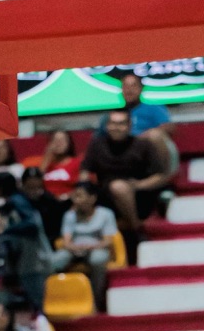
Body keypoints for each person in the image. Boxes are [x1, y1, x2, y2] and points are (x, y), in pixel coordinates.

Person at [79, 107, 166, 238]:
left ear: (129, 126)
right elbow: (85, 171)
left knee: (119, 187)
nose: (116, 128)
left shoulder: (142, 145)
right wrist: (83, 191)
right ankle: (135, 227)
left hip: (140, 195)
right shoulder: (97, 144)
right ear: (107, 125)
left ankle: (136, 230)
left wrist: (139, 185)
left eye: (121, 124)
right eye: (113, 123)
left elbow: (160, 175)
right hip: (105, 196)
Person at [53, 181, 119, 309]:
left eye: (80, 196)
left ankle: (95, 300)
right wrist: (75, 248)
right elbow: (66, 241)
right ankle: (57, 298)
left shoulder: (106, 214)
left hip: (97, 247)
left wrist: (91, 247)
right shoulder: (69, 215)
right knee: (54, 260)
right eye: (74, 196)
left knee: (97, 260)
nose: (76, 200)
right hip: (74, 249)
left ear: (92, 198)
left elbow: (108, 241)